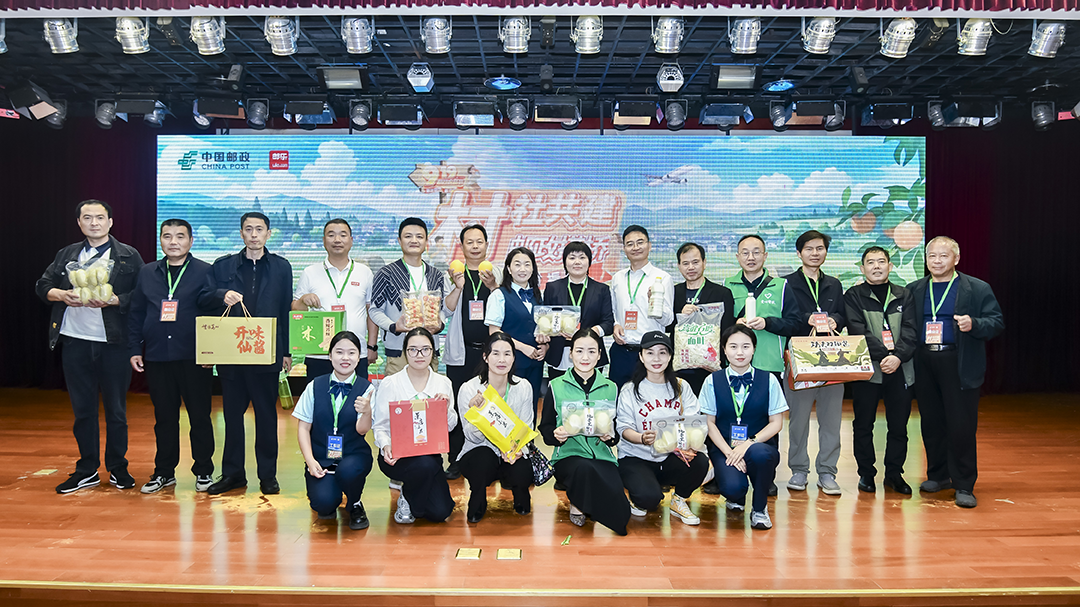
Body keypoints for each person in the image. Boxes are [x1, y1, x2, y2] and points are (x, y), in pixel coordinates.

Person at [36, 199, 144, 494]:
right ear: (79, 223)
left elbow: (143, 293)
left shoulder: (128, 255)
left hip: (114, 343)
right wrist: (61, 294)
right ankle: (87, 470)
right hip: (74, 340)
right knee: (83, 410)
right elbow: (42, 285)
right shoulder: (67, 254)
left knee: (116, 410)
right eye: (87, 218)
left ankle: (118, 467)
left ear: (110, 222)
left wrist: (116, 300)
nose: (94, 223)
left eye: (99, 217)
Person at [199, 211, 293, 496]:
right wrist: (221, 295)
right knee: (232, 417)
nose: (254, 234)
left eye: (259, 229)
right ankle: (233, 474)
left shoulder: (281, 267)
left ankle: (268, 475)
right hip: (232, 355)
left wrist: (286, 351)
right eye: (248, 229)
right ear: (241, 233)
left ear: (268, 234)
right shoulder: (223, 266)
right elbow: (203, 298)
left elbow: (285, 310)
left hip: (266, 354)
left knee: (266, 417)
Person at [907, 237, 1004, 509]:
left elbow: (996, 322)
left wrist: (974, 323)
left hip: (958, 362)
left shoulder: (977, 288)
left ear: (956, 259)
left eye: (943, 256)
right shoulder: (914, 289)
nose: (937, 261)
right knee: (931, 423)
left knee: (961, 426)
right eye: (932, 256)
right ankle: (938, 476)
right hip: (925, 362)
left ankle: (964, 484)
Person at [128, 219, 215, 494]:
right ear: (161, 241)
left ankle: (204, 471)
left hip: (194, 357)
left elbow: (214, 314)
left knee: (200, 417)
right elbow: (136, 312)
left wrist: (212, 351)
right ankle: (164, 473)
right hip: (157, 356)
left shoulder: (205, 271)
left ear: (191, 241)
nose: (173, 242)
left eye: (180, 236)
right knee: (164, 418)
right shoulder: (147, 272)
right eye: (167, 236)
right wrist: (134, 348)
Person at [725, 234, 799, 498]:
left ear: (765, 256)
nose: (751, 257)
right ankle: (731, 471)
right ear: (737, 257)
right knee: (732, 420)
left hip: (769, 367)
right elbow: (721, 326)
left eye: (756, 252)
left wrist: (768, 323)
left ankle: (766, 477)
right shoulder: (728, 286)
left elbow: (795, 323)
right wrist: (735, 322)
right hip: (735, 368)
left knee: (768, 424)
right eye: (745, 252)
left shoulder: (781, 286)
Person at [539, 328, 630, 536]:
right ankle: (578, 503)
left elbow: (615, 433)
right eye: (579, 351)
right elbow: (545, 429)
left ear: (599, 355)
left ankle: (586, 500)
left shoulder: (611, 387)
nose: (585, 357)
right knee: (583, 468)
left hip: (602, 456)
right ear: (571, 354)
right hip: (568, 456)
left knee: (621, 515)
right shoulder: (556, 385)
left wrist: (609, 437)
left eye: (591, 351)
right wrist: (556, 435)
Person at [845, 246, 918, 496]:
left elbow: (911, 331)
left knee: (898, 426)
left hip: (900, 368)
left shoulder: (904, 294)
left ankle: (894, 474)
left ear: (890, 266)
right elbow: (857, 330)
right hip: (868, 370)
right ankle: (866, 473)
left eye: (881, 261)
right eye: (871, 262)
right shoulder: (854, 295)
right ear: (862, 268)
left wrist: (897, 357)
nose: (876, 266)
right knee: (863, 424)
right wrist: (885, 355)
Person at [615, 331, 709, 526]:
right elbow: (623, 428)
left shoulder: (682, 387)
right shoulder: (630, 390)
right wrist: (641, 438)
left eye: (662, 352)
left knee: (700, 461)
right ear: (641, 356)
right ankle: (640, 492)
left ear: (670, 356)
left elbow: (694, 422)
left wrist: (687, 444)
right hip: (636, 457)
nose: (656, 359)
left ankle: (678, 500)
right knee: (648, 500)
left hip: (671, 457)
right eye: (650, 353)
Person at [700, 325, 787, 530]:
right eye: (733, 346)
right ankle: (736, 496)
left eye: (746, 346)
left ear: (754, 349)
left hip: (759, 446)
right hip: (724, 448)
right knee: (733, 488)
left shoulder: (769, 380)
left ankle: (759, 509)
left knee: (760, 455)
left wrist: (748, 444)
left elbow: (777, 423)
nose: (740, 352)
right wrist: (730, 453)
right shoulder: (712, 381)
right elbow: (709, 423)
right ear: (724, 350)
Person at [781, 230, 847, 495]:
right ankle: (798, 470)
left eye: (820, 248)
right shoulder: (786, 284)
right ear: (799, 253)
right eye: (809, 249)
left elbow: (842, 314)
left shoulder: (834, 284)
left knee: (831, 420)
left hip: (831, 360)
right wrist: (806, 318)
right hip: (800, 360)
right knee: (798, 420)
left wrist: (835, 321)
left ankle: (827, 472)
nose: (815, 253)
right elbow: (785, 318)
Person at [371, 328, 457, 524]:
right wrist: (386, 445)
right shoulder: (391, 383)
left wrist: (445, 409)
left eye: (425, 349)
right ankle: (409, 497)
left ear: (433, 351)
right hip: (397, 456)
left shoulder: (443, 383)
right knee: (425, 466)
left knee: (440, 512)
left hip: (429, 455)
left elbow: (451, 427)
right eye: (413, 349)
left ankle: (410, 494)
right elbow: (380, 426)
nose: (420, 355)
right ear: (405, 352)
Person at [293, 331, 374, 530]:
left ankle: (355, 503)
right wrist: (310, 461)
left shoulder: (367, 389)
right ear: (330, 356)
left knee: (349, 472)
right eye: (339, 352)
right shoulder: (314, 386)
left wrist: (367, 412)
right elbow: (303, 427)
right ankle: (330, 491)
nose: (345, 358)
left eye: (351, 353)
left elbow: (362, 430)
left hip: (353, 454)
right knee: (324, 505)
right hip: (322, 457)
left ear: (359, 357)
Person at [455, 332, 535, 523]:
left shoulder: (523, 387)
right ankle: (477, 499)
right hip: (479, 449)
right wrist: (477, 413)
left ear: (514, 358)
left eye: (507, 354)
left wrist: (517, 450)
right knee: (483, 459)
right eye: (495, 353)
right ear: (485, 357)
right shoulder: (469, 389)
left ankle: (521, 494)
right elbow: (471, 437)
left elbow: (526, 426)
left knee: (522, 467)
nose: (501, 360)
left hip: (512, 449)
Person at [443, 223, 500, 480]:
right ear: (462, 246)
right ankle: (455, 459)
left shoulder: (496, 272)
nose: (475, 246)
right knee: (458, 405)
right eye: (470, 242)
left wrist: (493, 286)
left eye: (479, 241)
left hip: (490, 355)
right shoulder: (453, 272)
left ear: (487, 244)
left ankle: (496, 457)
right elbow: (446, 310)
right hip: (461, 353)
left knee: (493, 404)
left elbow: (505, 304)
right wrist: (458, 286)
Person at [292, 218, 377, 381]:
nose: (337, 240)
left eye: (343, 235)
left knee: (356, 396)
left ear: (351, 240)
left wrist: (372, 346)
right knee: (319, 396)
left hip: (355, 353)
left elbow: (371, 311)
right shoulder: (310, 272)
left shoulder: (364, 272)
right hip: (318, 354)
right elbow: (296, 312)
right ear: (324, 240)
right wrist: (303, 300)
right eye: (331, 235)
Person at [369, 218, 451, 376]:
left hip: (428, 351)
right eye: (408, 236)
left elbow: (441, 310)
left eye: (419, 237)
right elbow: (375, 311)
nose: (414, 240)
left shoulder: (436, 274)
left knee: (429, 391)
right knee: (397, 392)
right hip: (399, 351)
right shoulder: (386, 273)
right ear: (399, 241)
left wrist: (439, 324)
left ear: (426, 241)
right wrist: (394, 326)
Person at [610, 225, 675, 389]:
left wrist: (655, 303)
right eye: (630, 244)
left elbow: (668, 320)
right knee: (619, 397)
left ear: (649, 245)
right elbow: (613, 311)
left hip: (650, 353)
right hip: (621, 351)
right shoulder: (617, 278)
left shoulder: (663, 278)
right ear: (624, 249)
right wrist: (615, 324)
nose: (635, 247)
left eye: (640, 242)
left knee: (650, 398)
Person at [484, 247, 547, 411]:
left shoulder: (538, 295)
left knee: (531, 406)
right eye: (517, 264)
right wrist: (522, 347)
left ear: (533, 268)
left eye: (527, 264)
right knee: (508, 408)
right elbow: (494, 332)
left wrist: (545, 346)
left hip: (535, 363)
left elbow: (542, 328)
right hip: (509, 364)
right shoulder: (498, 295)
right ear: (509, 269)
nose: (522, 269)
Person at [669, 242, 734, 395]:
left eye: (695, 262)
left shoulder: (722, 293)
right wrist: (680, 316)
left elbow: (727, 329)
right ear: (679, 266)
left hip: (711, 367)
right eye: (685, 263)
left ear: (704, 263)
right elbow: (665, 326)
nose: (690, 267)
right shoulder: (673, 293)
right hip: (680, 367)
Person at [543, 241, 615, 381]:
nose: (577, 262)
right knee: (560, 392)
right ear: (565, 262)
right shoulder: (552, 288)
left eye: (582, 257)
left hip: (590, 354)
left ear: (589, 262)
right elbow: (545, 319)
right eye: (572, 257)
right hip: (560, 354)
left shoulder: (601, 289)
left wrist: (589, 333)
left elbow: (608, 323)